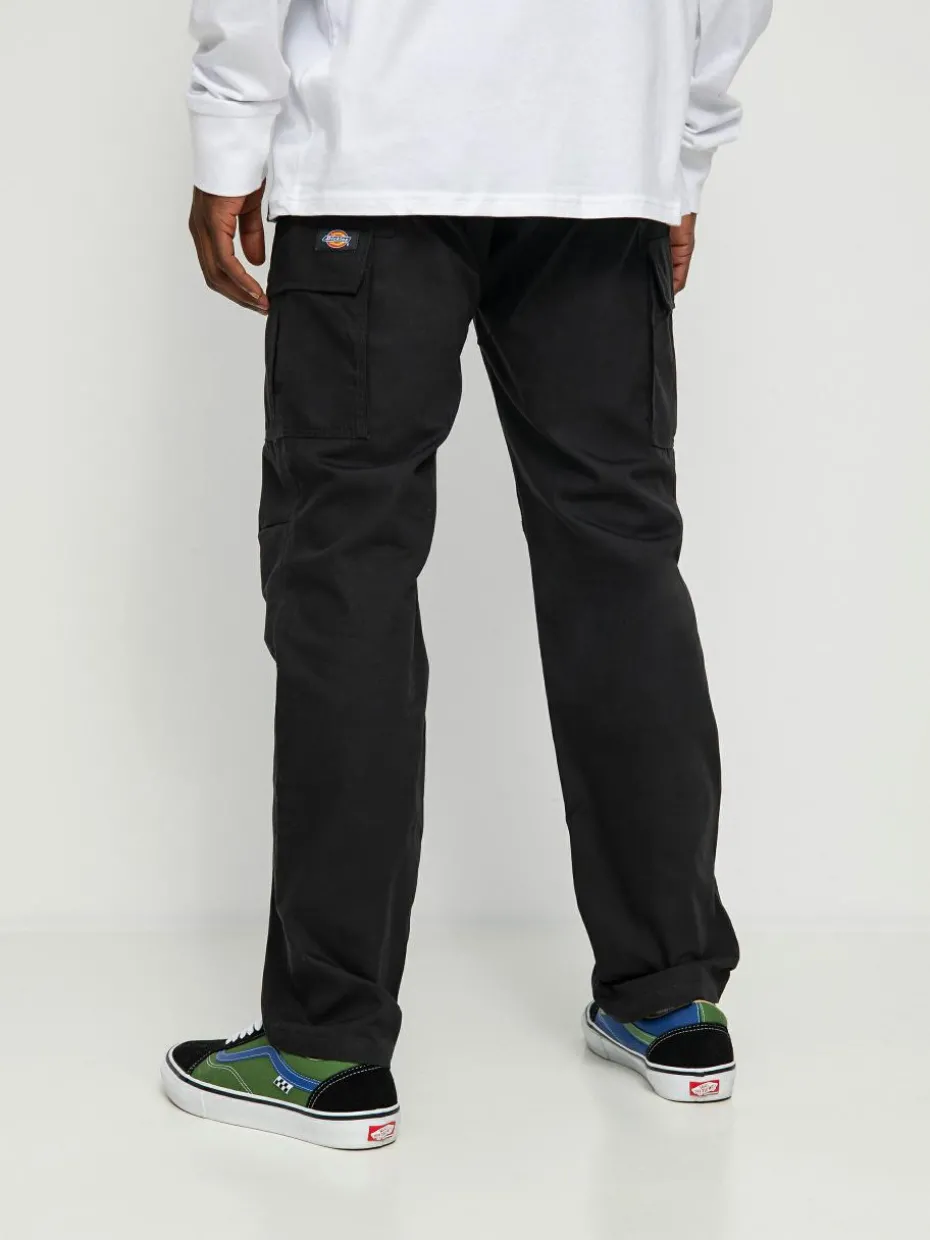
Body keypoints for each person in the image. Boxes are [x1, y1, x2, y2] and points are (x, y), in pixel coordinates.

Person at [161, 0, 773, 1149]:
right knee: (620, 563)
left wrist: (229, 130)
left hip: (378, 153)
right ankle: (669, 997)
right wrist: (678, 147)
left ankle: (323, 1044)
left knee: (347, 571)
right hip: (602, 161)